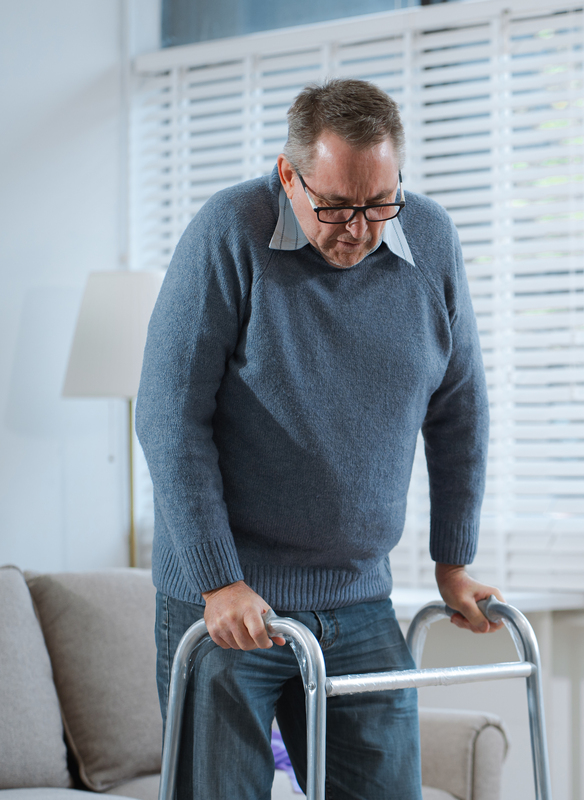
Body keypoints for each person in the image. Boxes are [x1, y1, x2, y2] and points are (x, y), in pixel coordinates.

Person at [135, 78, 499, 800]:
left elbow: (459, 408)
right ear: (287, 175)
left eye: (379, 203)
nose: (359, 227)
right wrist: (218, 579)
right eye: (334, 206)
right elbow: (169, 414)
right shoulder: (229, 231)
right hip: (229, 608)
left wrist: (452, 562)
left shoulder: (432, 239)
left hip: (360, 600)